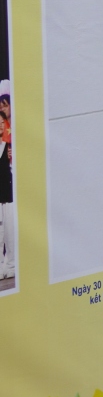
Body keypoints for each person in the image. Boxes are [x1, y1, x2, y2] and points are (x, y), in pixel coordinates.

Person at [0, 79, 13, 284]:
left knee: (11, 225)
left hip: (13, 187)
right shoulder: (3, 132)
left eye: (5, 104)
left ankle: (11, 263)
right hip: (4, 186)